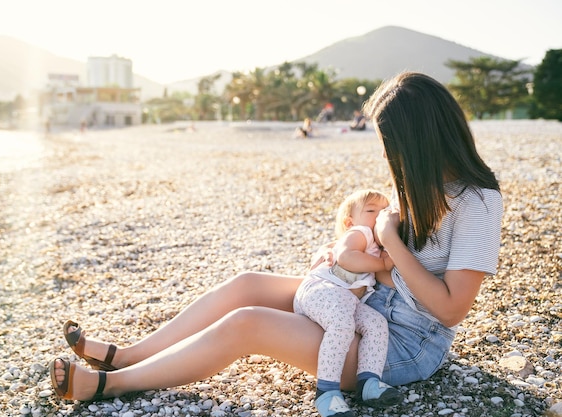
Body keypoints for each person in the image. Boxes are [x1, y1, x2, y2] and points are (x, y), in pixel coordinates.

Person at [49, 72, 503, 414]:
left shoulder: (478, 202)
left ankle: (111, 384)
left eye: (392, 143)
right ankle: (128, 355)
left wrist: (389, 241)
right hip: (365, 298)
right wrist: (344, 257)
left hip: (401, 343)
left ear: (418, 141)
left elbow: (449, 309)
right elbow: (389, 266)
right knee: (247, 284)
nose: (388, 155)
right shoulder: (417, 184)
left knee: (247, 323)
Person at [295, 189, 402, 416]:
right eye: (371, 210)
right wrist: (382, 264)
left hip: (346, 299)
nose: (379, 216)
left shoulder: (376, 243)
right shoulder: (360, 232)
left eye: (384, 210)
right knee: (342, 326)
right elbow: (346, 257)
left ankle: (369, 381)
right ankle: (326, 391)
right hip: (323, 290)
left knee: (376, 324)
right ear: (350, 221)